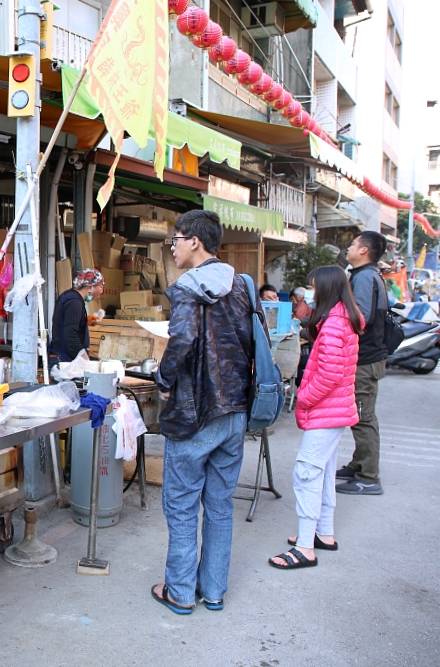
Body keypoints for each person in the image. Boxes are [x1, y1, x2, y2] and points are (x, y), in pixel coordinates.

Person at [150, 210, 254, 614]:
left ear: (194, 241)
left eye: (174, 239)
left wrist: (162, 378)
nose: (172, 246)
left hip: (195, 416)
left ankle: (179, 592)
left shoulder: (186, 287)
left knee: (181, 505)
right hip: (235, 411)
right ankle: (212, 591)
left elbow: (184, 339)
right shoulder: (243, 285)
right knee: (221, 505)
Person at [269, 266, 362, 570]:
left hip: (326, 410)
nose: (309, 292)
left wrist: (304, 399)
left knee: (307, 473)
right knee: (322, 472)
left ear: (325, 287)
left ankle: (305, 549)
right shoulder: (340, 317)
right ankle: (324, 533)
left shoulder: (334, 323)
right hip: (336, 409)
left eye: (312, 287)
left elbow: (330, 374)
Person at [335, 230, 388, 496]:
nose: (350, 248)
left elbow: (361, 318)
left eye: (354, 244)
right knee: (360, 415)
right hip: (368, 357)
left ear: (364, 250)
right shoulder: (367, 275)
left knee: (363, 416)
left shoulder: (365, 277)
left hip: (365, 360)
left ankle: (369, 476)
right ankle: (359, 464)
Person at [49, 269, 104, 363]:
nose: (102, 291)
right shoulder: (74, 303)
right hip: (64, 359)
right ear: (90, 287)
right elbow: (70, 334)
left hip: (63, 356)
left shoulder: (69, 296)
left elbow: (67, 322)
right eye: (101, 286)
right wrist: (83, 358)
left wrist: (85, 321)